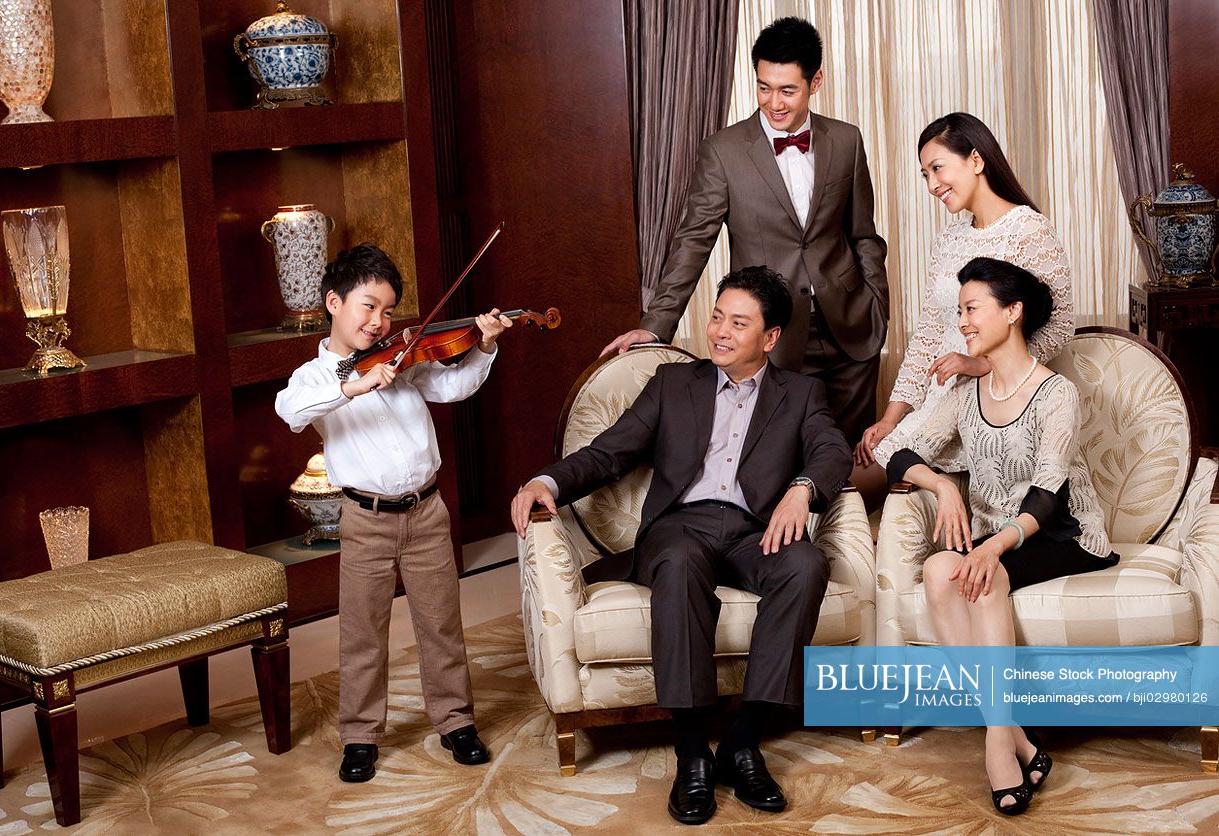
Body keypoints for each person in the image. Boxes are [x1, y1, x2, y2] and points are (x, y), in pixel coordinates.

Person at [514, 266, 852, 826]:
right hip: (681, 526)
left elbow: (831, 452)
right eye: (716, 316)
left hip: (754, 531)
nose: (719, 331)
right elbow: (609, 452)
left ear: (769, 338)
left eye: (738, 323)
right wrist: (545, 482)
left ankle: (743, 743)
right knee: (677, 559)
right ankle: (692, 751)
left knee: (804, 564)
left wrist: (802, 488)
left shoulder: (801, 393)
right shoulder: (674, 384)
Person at [886, 256, 1117, 816]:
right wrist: (941, 485)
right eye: (961, 309)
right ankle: (1014, 732)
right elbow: (896, 452)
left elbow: (1048, 494)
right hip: (997, 532)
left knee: (982, 577)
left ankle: (997, 747)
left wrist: (991, 547)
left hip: (1063, 533)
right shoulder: (969, 391)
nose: (962, 321)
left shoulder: (1057, 393)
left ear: (1012, 312)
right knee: (939, 568)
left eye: (972, 308)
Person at [275, 244, 513, 783]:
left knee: (441, 625)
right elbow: (289, 411)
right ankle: (360, 736)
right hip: (366, 520)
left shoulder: (401, 361)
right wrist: (353, 385)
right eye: (368, 306)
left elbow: (453, 385)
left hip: (427, 512)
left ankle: (455, 721)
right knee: (362, 633)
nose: (379, 322)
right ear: (334, 302)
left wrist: (485, 348)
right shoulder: (315, 376)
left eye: (387, 311)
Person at [602, 16, 888, 447]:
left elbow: (863, 234)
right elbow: (693, 241)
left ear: (816, 82)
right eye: (763, 87)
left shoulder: (846, 141)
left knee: (846, 465)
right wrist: (657, 324)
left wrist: (876, 301)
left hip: (850, 329)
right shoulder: (723, 151)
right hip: (771, 333)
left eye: (788, 89)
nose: (774, 102)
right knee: (778, 461)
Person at [855, 113, 1074, 505]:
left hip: (994, 402)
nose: (932, 184)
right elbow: (928, 335)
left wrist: (981, 366)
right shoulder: (949, 239)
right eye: (924, 175)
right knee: (846, 476)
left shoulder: (1028, 230)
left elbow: (1060, 326)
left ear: (975, 160)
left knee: (853, 483)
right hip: (936, 402)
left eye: (937, 168)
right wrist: (892, 416)